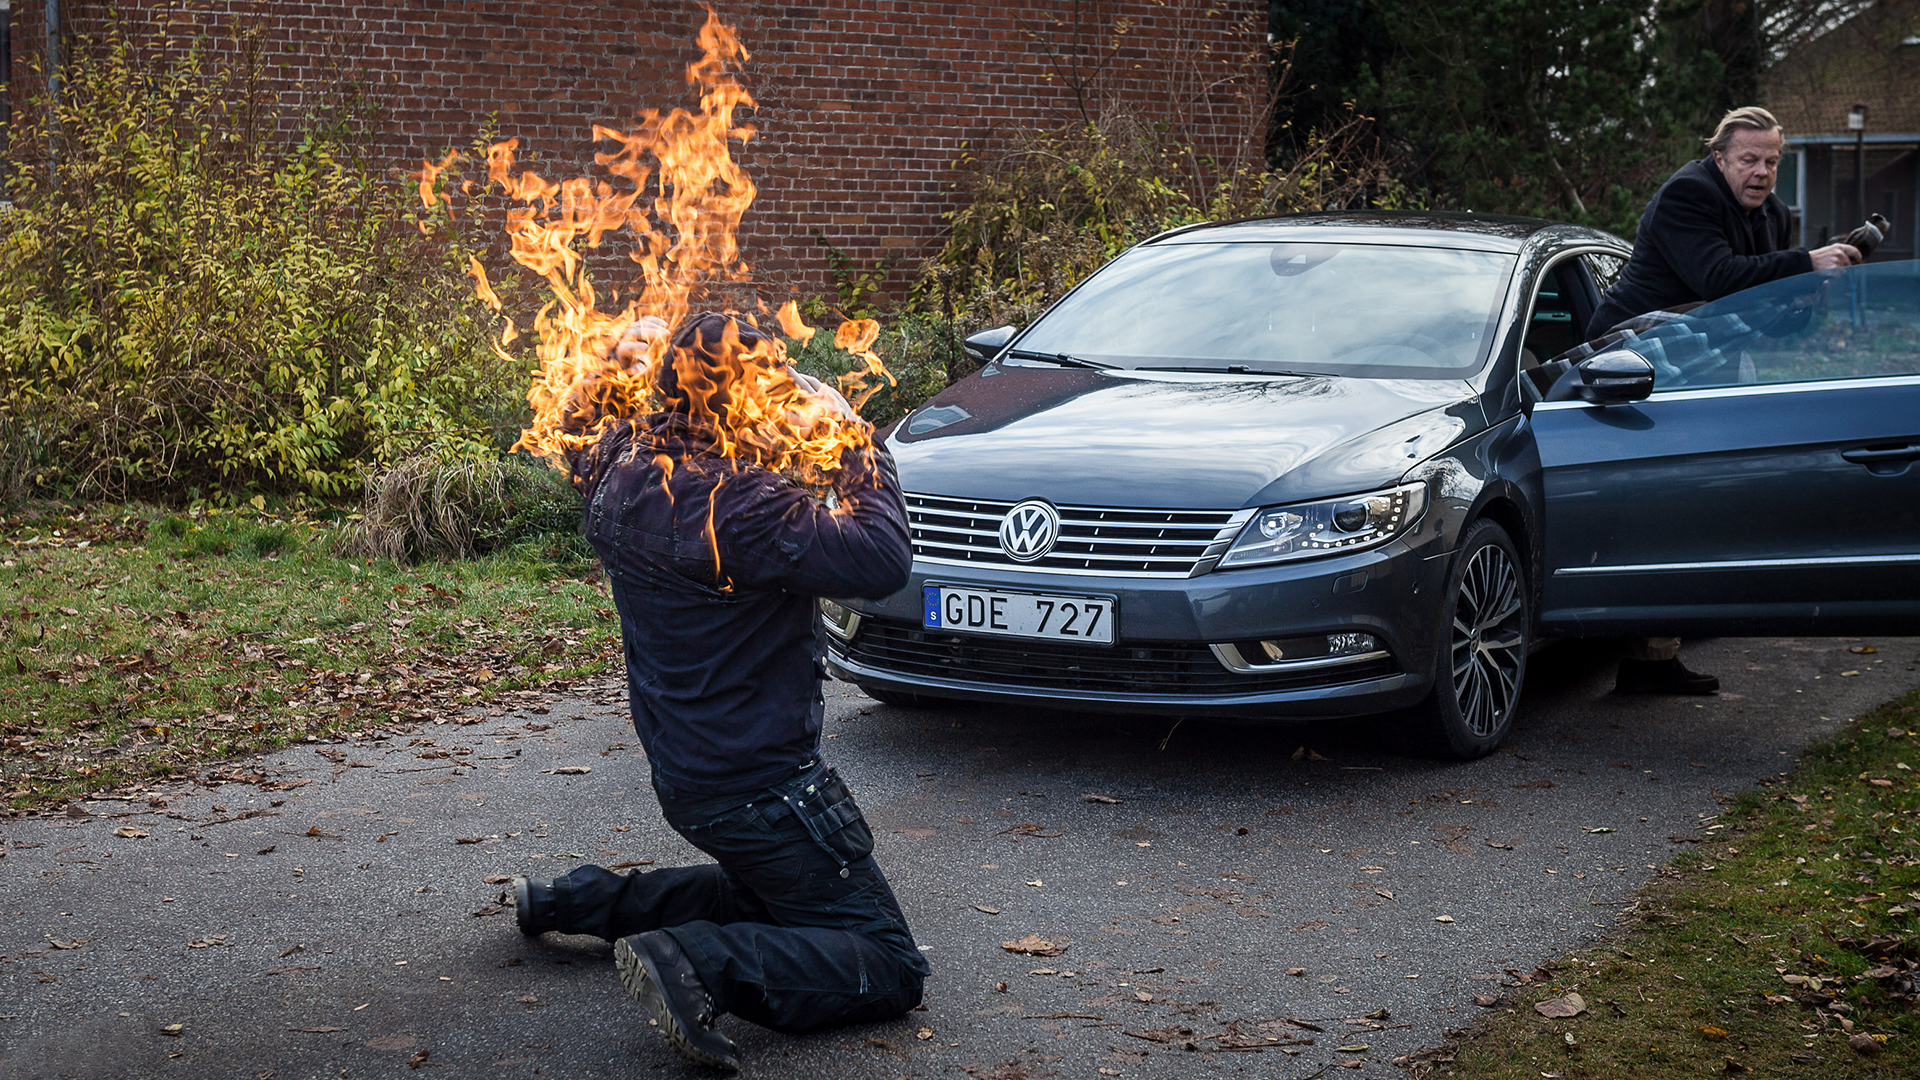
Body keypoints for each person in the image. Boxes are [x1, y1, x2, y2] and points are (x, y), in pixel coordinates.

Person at [508, 313, 927, 1071]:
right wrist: (851, 437)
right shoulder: (746, 508)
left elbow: (569, 430)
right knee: (885, 959)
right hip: (763, 787)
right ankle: (694, 963)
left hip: (688, 772)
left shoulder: (621, 467)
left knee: (772, 899)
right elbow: (883, 557)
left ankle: (576, 901)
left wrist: (610, 365)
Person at [1587, 106, 1861, 696]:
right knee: (1656, 500)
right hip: (1639, 359)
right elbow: (1716, 278)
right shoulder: (1689, 194)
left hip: (1707, 359)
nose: (1760, 172)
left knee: (1690, 503)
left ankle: (1653, 659)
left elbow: (1771, 319)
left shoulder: (1776, 215)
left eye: (1770, 161)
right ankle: (1635, 646)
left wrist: (1807, 299)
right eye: (1748, 160)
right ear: (1720, 158)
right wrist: (1803, 265)